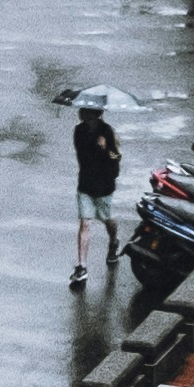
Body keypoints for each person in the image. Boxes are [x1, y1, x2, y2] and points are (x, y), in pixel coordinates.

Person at [71, 94, 124, 285]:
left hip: (103, 186)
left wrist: (105, 149)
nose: (80, 113)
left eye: (85, 110)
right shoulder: (79, 130)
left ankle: (114, 241)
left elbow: (115, 161)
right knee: (85, 223)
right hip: (86, 184)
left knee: (106, 218)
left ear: (94, 114)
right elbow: (83, 154)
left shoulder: (108, 132)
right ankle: (82, 266)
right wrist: (98, 148)